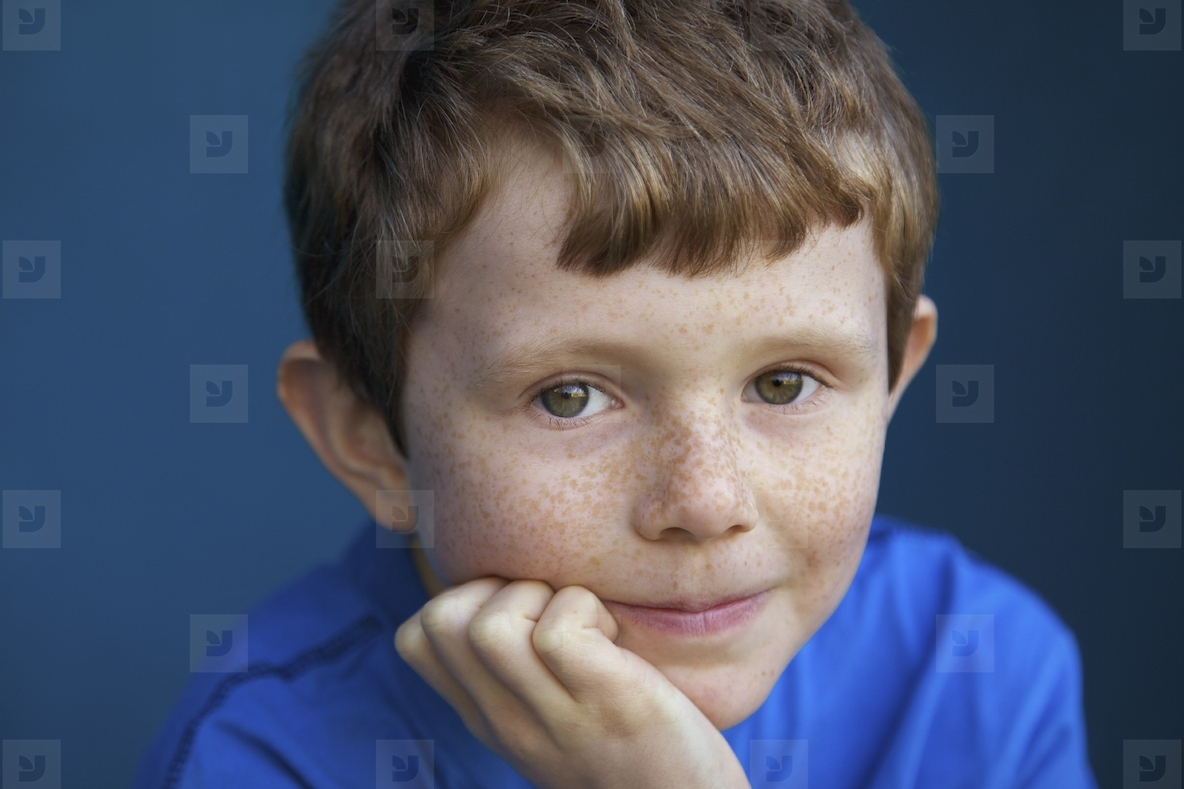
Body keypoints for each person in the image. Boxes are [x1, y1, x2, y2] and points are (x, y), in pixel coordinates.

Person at [136, 0, 1097, 786]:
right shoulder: (264, 754)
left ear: (893, 376)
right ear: (367, 435)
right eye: (570, 397)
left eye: (784, 381)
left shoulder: (978, 673)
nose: (705, 501)